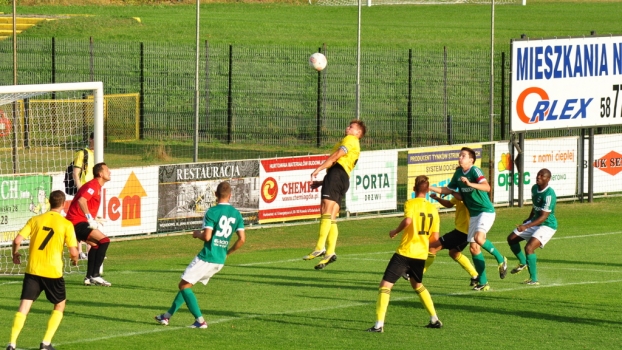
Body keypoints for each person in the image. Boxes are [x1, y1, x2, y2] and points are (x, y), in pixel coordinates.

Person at [155, 181, 246, 328]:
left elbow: (207, 237)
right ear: (230, 195)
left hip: (207, 256)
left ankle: (200, 321)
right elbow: (242, 239)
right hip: (220, 259)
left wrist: (197, 234)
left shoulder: (212, 212)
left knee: (183, 286)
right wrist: (227, 253)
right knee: (187, 284)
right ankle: (166, 316)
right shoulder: (237, 214)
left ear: (215, 194)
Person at [366, 175, 442, 333]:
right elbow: (434, 238)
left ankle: (379, 324)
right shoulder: (433, 209)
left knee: (385, 286)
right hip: (421, 254)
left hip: (405, 252)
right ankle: (434, 318)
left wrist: (395, 231)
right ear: (428, 191)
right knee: (417, 285)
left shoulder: (410, 203)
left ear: (414, 189)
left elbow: (408, 221)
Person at [7, 190, 78, 350]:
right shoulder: (66, 224)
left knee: (24, 306)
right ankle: (45, 343)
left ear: (49, 202)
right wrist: (74, 260)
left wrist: (15, 254)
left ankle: (11, 343)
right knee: (60, 304)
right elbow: (74, 252)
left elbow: (17, 240)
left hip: (33, 269)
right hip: (53, 271)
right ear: (63, 204)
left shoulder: (35, 219)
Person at [430, 147, 507, 291]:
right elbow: (449, 190)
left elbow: (487, 187)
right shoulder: (458, 173)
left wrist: (470, 184)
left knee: (478, 238)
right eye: (459, 155)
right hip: (474, 214)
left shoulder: (474, 171)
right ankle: (483, 282)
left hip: (486, 211)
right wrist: (430, 187)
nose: (460, 158)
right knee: (474, 249)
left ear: (471, 160)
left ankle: (501, 259)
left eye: (463, 156)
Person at [304, 119, 366, 270]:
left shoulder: (350, 139)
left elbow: (336, 156)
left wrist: (318, 169)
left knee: (325, 210)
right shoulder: (355, 144)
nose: (347, 128)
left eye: (351, 127)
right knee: (332, 217)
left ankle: (320, 247)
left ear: (358, 133)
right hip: (342, 178)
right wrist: (323, 181)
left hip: (337, 175)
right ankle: (330, 252)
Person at [506, 168, 557, 285]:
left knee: (529, 248)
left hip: (547, 225)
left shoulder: (549, 195)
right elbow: (535, 206)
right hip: (534, 221)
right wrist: (529, 218)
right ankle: (523, 262)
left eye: (542, 176)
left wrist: (526, 226)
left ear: (548, 179)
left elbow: (544, 216)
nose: (538, 177)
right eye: (538, 175)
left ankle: (534, 279)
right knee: (511, 238)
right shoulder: (534, 188)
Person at [65, 162, 112, 287]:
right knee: (105, 241)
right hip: (76, 222)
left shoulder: (95, 186)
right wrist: (89, 218)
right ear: (100, 174)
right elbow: (81, 200)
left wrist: (94, 217)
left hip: (78, 221)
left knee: (96, 245)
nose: (110, 172)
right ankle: (95, 275)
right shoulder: (93, 185)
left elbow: (83, 202)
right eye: (107, 171)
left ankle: (89, 277)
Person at [423, 191, 479, 286]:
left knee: (432, 247)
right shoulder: (458, 195)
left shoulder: (468, 195)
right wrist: (438, 199)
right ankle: (475, 276)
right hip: (464, 231)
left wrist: (451, 191)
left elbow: (461, 197)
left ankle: (417, 274)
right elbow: (449, 204)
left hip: (462, 232)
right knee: (454, 253)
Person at [72, 132, 95, 260]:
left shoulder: (98, 154)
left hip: (93, 192)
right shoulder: (82, 153)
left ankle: (90, 250)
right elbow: (76, 173)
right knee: (80, 221)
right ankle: (79, 251)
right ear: (91, 139)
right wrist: (81, 190)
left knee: (90, 220)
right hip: (83, 192)